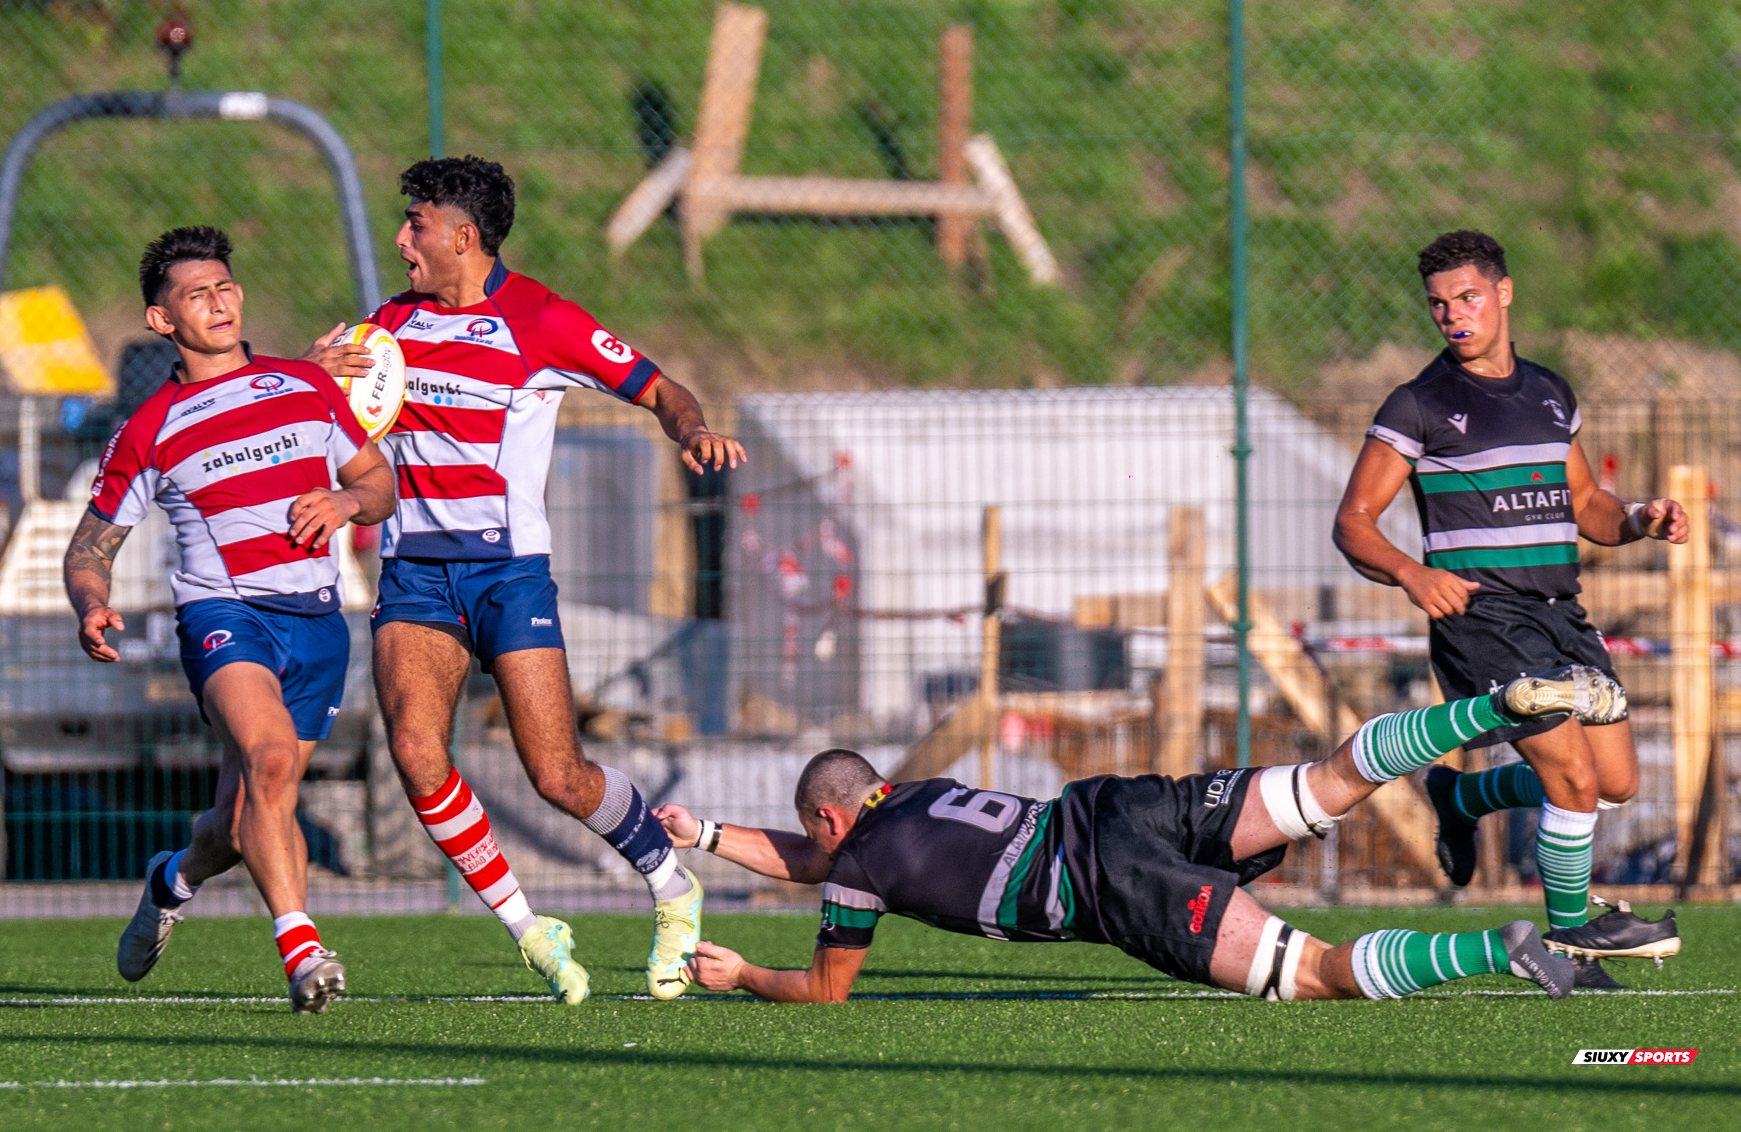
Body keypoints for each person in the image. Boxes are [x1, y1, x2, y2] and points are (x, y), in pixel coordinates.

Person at [305, 156, 745, 1003]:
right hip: (414, 574)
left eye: (416, 224)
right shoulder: (389, 323)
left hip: (508, 574)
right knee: (415, 753)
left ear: (462, 238)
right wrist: (313, 368)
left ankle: (671, 885)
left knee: (559, 773)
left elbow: (660, 389)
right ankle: (527, 925)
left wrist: (692, 431)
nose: (402, 239)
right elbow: (317, 396)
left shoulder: (541, 319)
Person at [657, 669, 1629, 1003]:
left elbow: (828, 986)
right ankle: (1486, 709)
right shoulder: (913, 791)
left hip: (1115, 885)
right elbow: (817, 851)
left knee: (1321, 973)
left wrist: (743, 974)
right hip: (1119, 805)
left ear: (831, 819)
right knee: (1333, 777)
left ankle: (1492, 948)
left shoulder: (857, 859)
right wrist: (703, 831)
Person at [1332, 229, 1685, 989]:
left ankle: (1460, 794)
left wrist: (1641, 517)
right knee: (1574, 783)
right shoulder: (1420, 404)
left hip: (1562, 612)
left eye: (1467, 297)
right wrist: (1411, 574)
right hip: (1482, 621)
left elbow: (1588, 502)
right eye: (1438, 305)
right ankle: (1570, 940)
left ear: (1504, 292)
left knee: (1615, 780)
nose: (1454, 316)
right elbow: (1353, 521)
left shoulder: (1551, 392)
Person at [70, 226, 394, 1013]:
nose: (217, 303)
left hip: (318, 624)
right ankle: (301, 948)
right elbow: (89, 543)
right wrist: (92, 600)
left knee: (244, 817)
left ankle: (171, 877)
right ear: (161, 320)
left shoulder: (305, 385)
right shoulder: (150, 429)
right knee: (272, 759)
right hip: (225, 616)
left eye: (224, 286)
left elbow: (378, 483)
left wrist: (347, 500)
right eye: (195, 294)